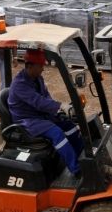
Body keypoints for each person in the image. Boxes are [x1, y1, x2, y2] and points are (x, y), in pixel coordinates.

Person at [8, 49, 83, 177]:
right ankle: (77, 170)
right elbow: (39, 102)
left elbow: (46, 97)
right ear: (30, 66)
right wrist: (59, 105)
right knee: (56, 133)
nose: (43, 69)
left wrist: (60, 109)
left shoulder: (37, 78)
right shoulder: (20, 85)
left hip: (39, 115)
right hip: (27, 121)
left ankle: (82, 156)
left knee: (68, 123)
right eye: (40, 66)